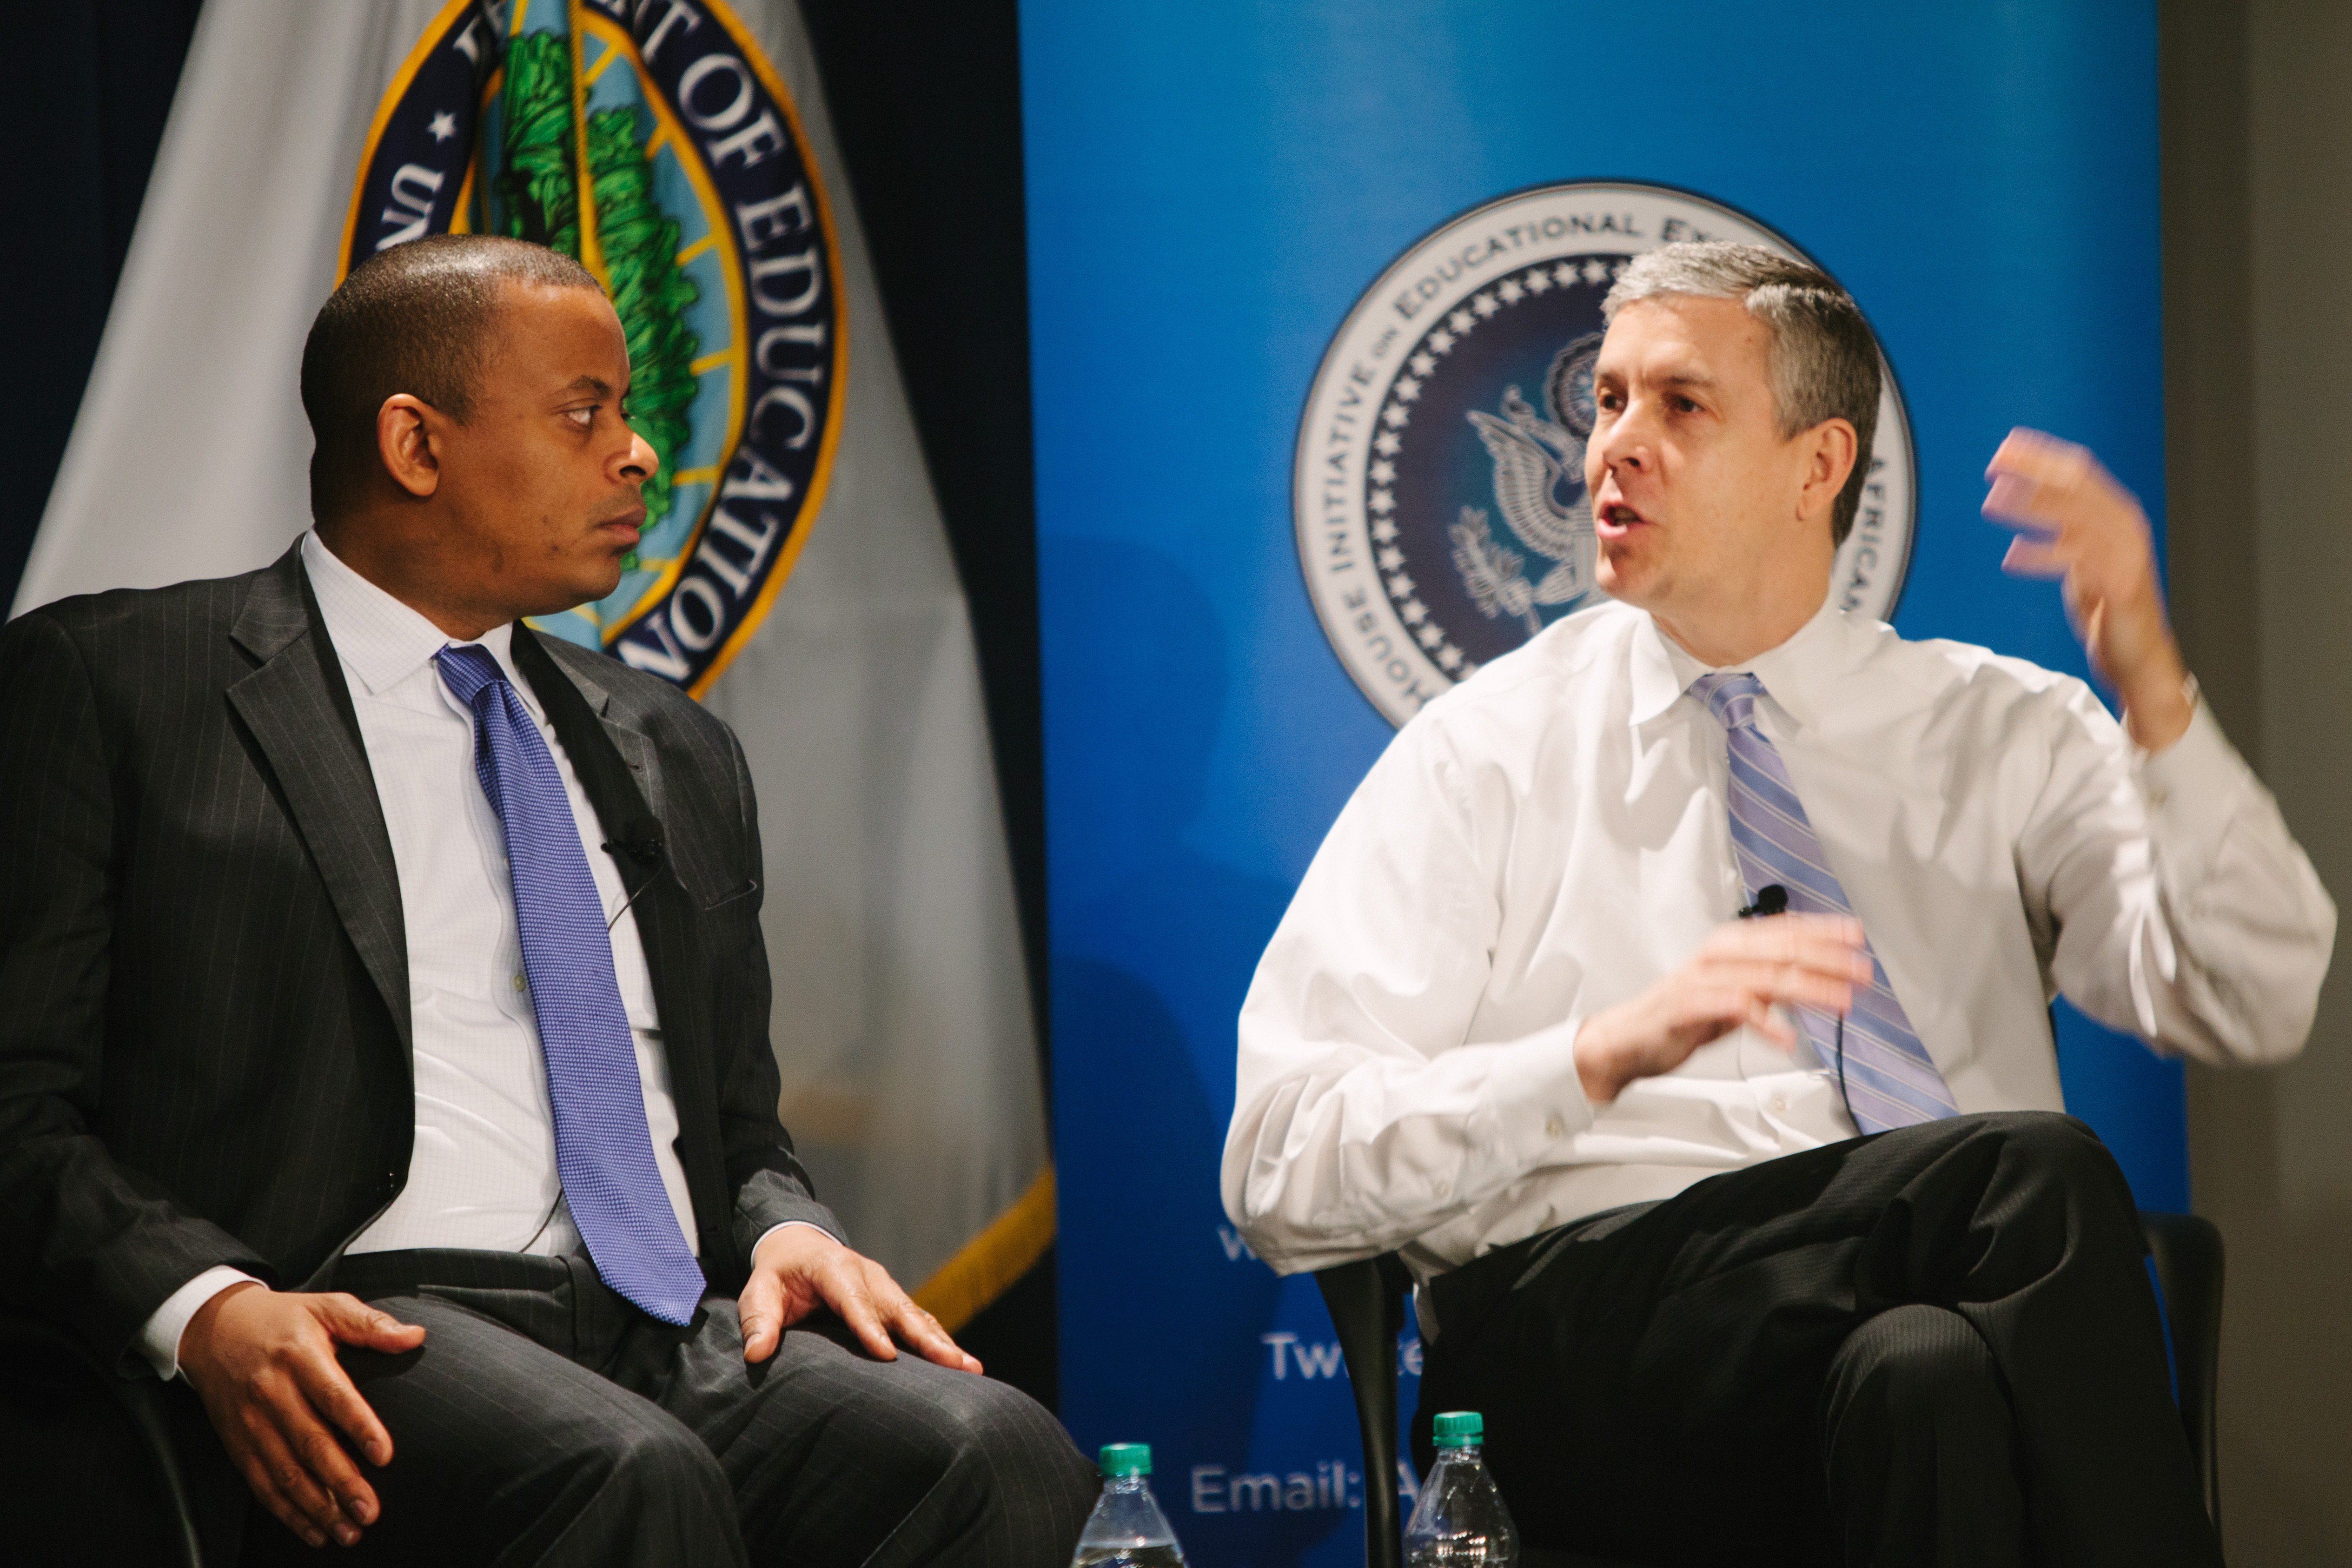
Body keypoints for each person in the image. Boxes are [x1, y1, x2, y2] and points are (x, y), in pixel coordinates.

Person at [1223, 241, 2333, 1567]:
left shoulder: (1996, 730)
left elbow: (2251, 996)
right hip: (1589, 1341)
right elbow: (1276, 1166)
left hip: (1898, 1328)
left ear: (1818, 467)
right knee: (2028, 1170)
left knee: (1923, 1374)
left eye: (1678, 406)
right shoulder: (1486, 752)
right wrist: (1588, 1059)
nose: (1612, 448)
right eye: (1607, 403)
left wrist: (2152, 687)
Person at [0, 233, 1094, 1566]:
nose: (637, 453)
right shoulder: (118, 685)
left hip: (655, 1315)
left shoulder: (672, 746)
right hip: (343, 1317)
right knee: (625, 1478)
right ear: (416, 444)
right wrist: (206, 1304)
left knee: (995, 1456)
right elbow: (17, 1106)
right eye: (588, 413)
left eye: (626, 415)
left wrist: (785, 1225)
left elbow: (740, 1125)